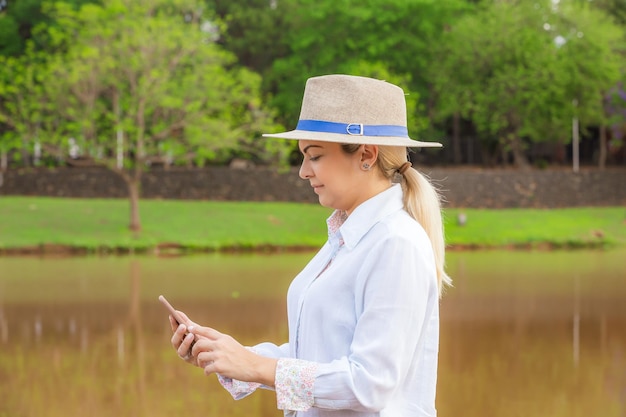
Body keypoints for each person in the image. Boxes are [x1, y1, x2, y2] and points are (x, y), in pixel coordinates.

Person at [168, 74, 452, 416]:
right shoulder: (346, 237)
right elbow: (318, 350)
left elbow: (370, 385)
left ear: (366, 154)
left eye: (314, 156)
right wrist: (227, 355)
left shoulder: (396, 244)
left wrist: (257, 368)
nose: (303, 171)